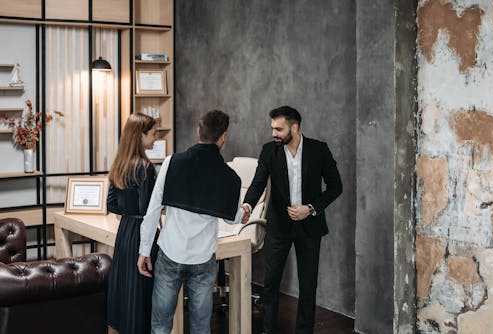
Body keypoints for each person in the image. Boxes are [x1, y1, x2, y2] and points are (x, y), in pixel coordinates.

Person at [138, 110, 250, 334]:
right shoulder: (230, 177)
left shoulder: (172, 162)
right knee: (200, 326)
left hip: (170, 253)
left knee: (160, 325)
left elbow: (152, 211)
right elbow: (234, 216)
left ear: (199, 130)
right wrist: (244, 211)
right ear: (223, 137)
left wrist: (144, 250)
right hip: (202, 259)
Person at [243, 106, 343, 334]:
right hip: (279, 227)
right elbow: (258, 183)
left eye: (279, 129)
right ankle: (269, 330)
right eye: (272, 129)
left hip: (310, 226)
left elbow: (336, 186)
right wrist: (247, 205)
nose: (273, 134)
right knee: (271, 283)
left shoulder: (319, 150)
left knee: (308, 285)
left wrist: (311, 208)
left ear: (294, 127)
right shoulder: (269, 151)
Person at [106, 112, 159, 334]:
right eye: (153, 133)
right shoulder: (145, 167)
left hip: (125, 230)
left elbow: (111, 204)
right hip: (142, 234)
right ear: (140, 135)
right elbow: (149, 209)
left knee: (126, 290)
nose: (156, 138)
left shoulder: (120, 163)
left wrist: (129, 211)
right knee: (141, 292)